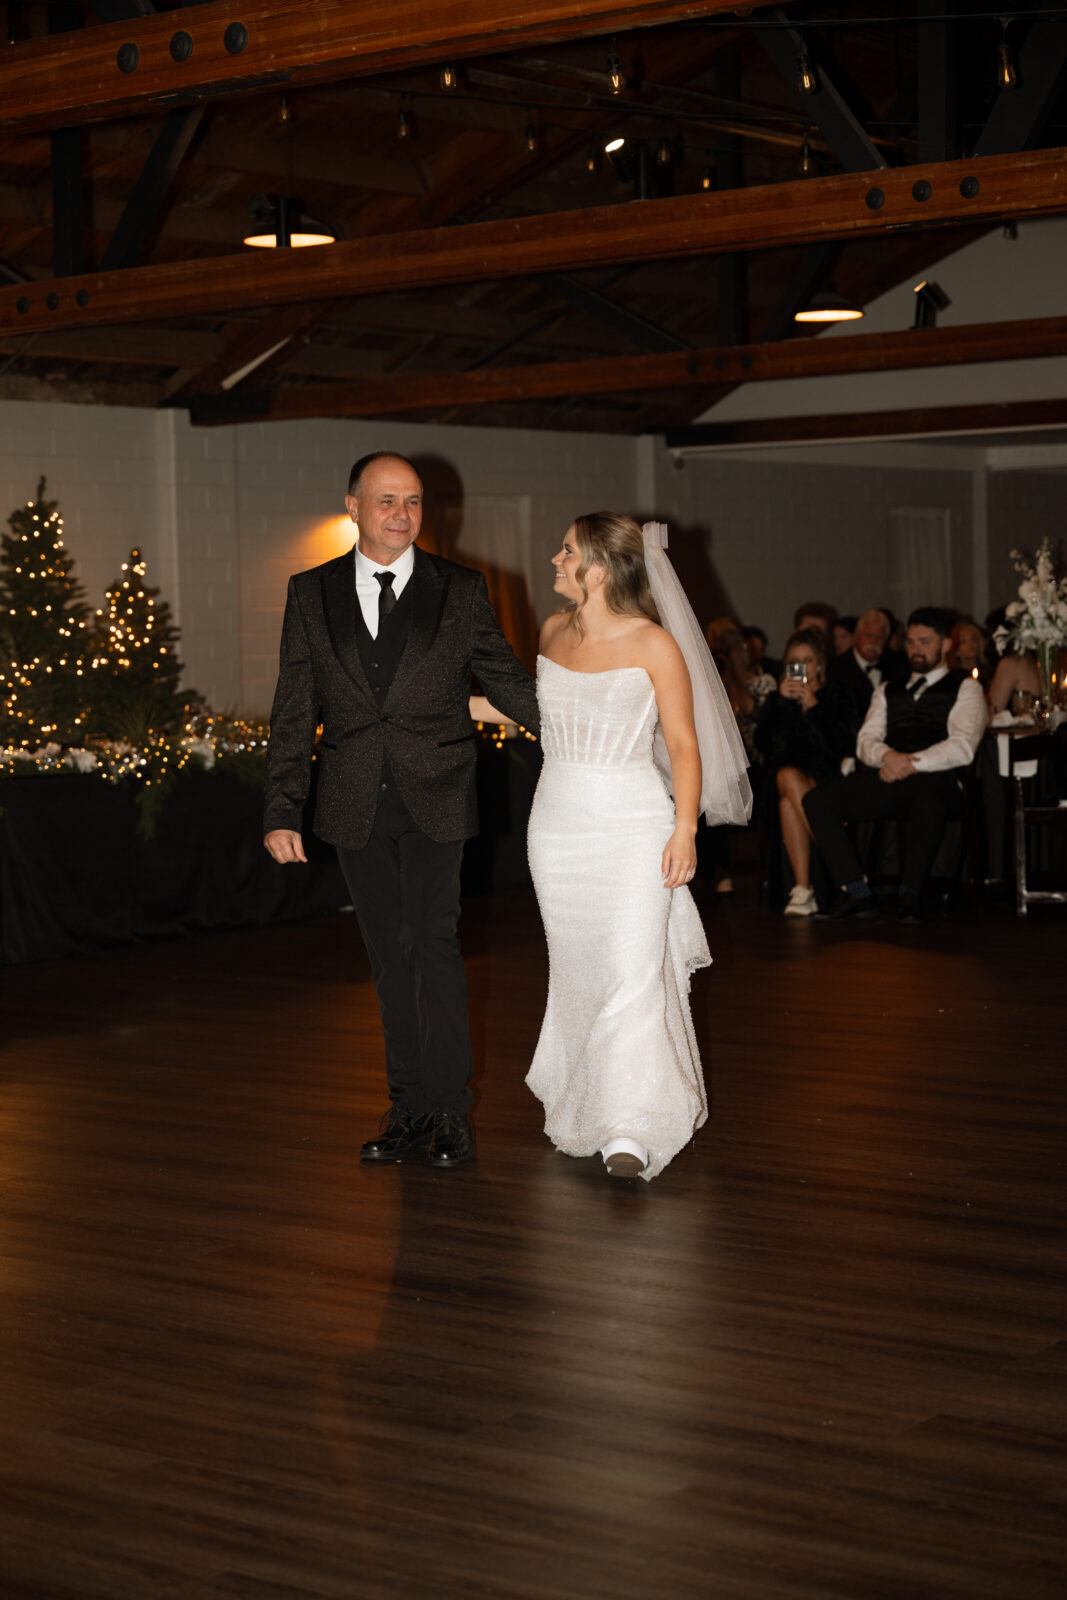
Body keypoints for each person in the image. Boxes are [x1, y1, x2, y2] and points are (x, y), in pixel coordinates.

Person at [262, 451, 539, 1170]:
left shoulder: (459, 588)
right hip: (352, 798)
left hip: (437, 793)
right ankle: (408, 1105)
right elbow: (293, 705)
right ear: (353, 506)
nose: (402, 514)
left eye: (412, 501)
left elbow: (507, 679)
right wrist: (282, 808)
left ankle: (448, 1110)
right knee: (389, 956)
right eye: (386, 500)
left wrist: (590, 731)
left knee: (432, 943)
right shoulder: (310, 592)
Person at [525, 515, 750, 1181]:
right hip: (556, 827)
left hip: (632, 826)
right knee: (578, 970)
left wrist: (684, 829)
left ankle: (630, 1126)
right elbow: (541, 714)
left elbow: (683, 744)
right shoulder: (551, 632)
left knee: (631, 971)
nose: (555, 558)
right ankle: (584, 1099)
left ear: (598, 569)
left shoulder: (654, 643)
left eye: (567, 550)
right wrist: (438, 705)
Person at [803, 607, 987, 923]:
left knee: (927, 799)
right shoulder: (888, 688)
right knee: (817, 800)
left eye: (925, 642)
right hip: (891, 773)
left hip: (938, 779)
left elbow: (962, 746)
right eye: (911, 642)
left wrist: (911, 763)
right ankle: (857, 891)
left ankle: (910, 895)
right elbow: (866, 740)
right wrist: (889, 758)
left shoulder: (966, 687)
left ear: (946, 644)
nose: (916, 649)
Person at [754, 627, 857, 916]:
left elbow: (842, 746)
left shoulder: (837, 696)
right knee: (786, 778)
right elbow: (765, 746)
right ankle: (845, 875)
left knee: (788, 800)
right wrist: (780, 703)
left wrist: (813, 707)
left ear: (820, 662)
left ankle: (804, 889)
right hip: (784, 778)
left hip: (827, 778)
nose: (802, 667)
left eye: (808, 660)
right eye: (795, 662)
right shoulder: (778, 699)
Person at [832, 607, 908, 722]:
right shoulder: (835, 669)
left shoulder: (899, 665)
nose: (873, 642)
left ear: (887, 640)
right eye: (868, 635)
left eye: (880, 638)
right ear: (856, 636)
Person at [947, 618, 991, 686]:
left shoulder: (988, 674)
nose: (970, 644)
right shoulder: (953, 678)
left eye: (973, 640)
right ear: (956, 650)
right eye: (963, 642)